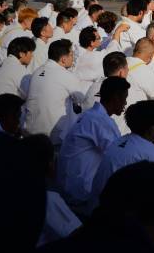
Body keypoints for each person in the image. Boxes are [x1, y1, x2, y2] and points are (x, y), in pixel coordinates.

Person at [56, 75, 128, 209]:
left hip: (68, 185)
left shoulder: (89, 115)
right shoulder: (101, 121)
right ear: (115, 98)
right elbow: (117, 157)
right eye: (124, 98)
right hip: (81, 192)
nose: (125, 103)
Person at [89, 101, 154, 211]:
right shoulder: (150, 152)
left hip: (97, 209)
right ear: (152, 128)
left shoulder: (119, 141)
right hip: (115, 216)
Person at [24, 39, 86, 143]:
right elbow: (82, 100)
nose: (73, 58)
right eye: (71, 55)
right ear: (63, 59)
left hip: (30, 129)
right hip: (52, 135)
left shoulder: (37, 71)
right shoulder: (66, 75)